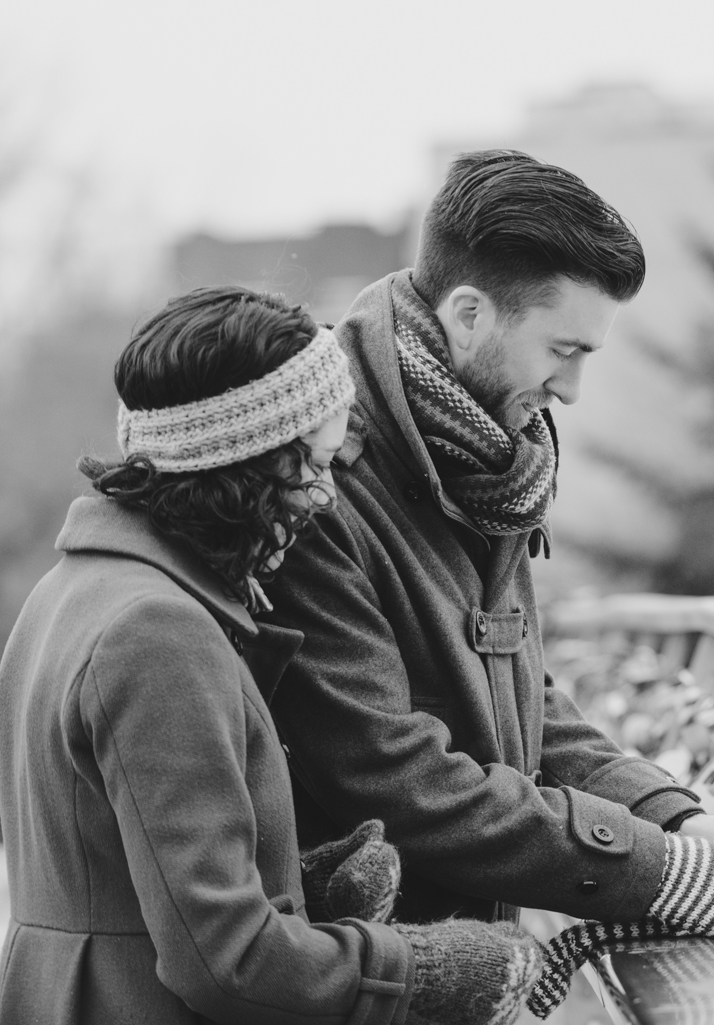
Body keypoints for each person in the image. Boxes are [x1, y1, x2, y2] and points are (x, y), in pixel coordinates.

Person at [263, 150, 714, 930]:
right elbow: (397, 781)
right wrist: (666, 870)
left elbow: (519, 700)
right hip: (360, 972)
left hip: (463, 957)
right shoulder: (321, 480)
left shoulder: (488, 455)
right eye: (564, 350)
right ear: (469, 314)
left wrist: (680, 821)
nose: (573, 391)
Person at [0, 287, 547, 1025]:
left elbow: (110, 869)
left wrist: (294, 882)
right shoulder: (158, 632)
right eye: (314, 464)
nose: (325, 494)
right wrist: (430, 971)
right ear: (245, 467)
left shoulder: (71, 591)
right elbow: (229, 963)